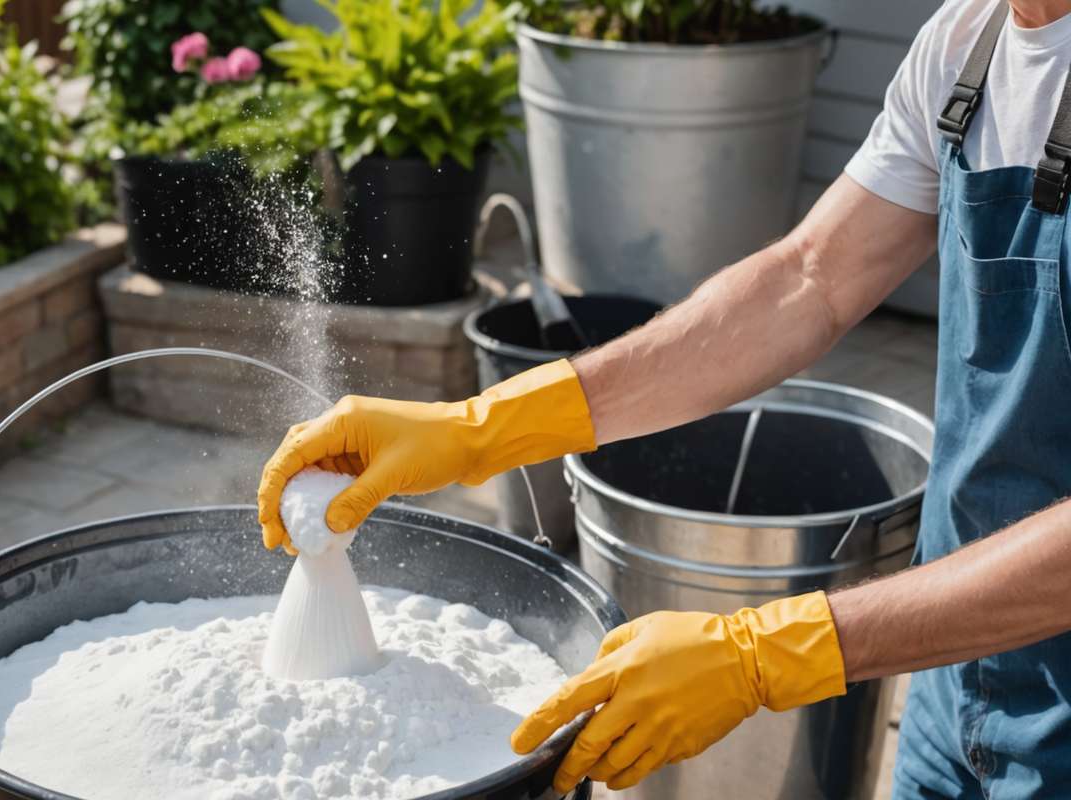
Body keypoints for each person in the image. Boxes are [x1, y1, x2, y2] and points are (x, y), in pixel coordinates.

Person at [257, 0, 1071, 795]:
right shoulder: (972, 40)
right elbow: (810, 280)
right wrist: (480, 428)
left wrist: (772, 652)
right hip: (951, 674)